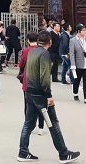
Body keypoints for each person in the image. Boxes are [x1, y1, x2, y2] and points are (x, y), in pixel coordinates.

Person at [17, 31, 80, 163]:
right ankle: (63, 153)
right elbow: (45, 77)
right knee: (53, 123)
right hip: (40, 94)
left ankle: (23, 152)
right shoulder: (45, 54)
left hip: (30, 90)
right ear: (50, 42)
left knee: (28, 123)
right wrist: (48, 95)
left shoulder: (32, 51)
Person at [19, 31, 45, 136]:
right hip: (40, 81)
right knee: (41, 105)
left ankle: (28, 125)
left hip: (28, 81)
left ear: (28, 40)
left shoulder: (26, 51)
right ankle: (41, 127)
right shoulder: (42, 51)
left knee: (28, 104)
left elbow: (21, 64)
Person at [69, 24, 86, 106]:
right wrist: (73, 65)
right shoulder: (73, 40)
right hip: (78, 64)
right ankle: (75, 93)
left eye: (85, 30)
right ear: (79, 31)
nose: (85, 32)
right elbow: (72, 54)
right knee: (77, 81)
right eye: (83, 30)